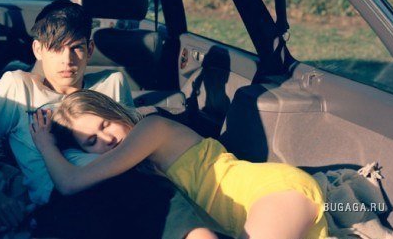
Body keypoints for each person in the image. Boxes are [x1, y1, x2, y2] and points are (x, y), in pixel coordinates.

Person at [0, 0, 217, 239]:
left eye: (76, 48)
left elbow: (136, 147)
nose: (67, 60)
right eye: (56, 48)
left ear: (90, 49)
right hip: (64, 203)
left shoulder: (112, 83)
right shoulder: (18, 87)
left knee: (173, 209)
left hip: (134, 187)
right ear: (38, 49)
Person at [30, 89, 330, 239]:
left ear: (116, 112)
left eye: (105, 124)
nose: (106, 139)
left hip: (268, 191)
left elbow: (70, 183)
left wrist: (45, 145)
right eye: (91, 141)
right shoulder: (133, 172)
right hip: (236, 218)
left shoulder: (151, 128)